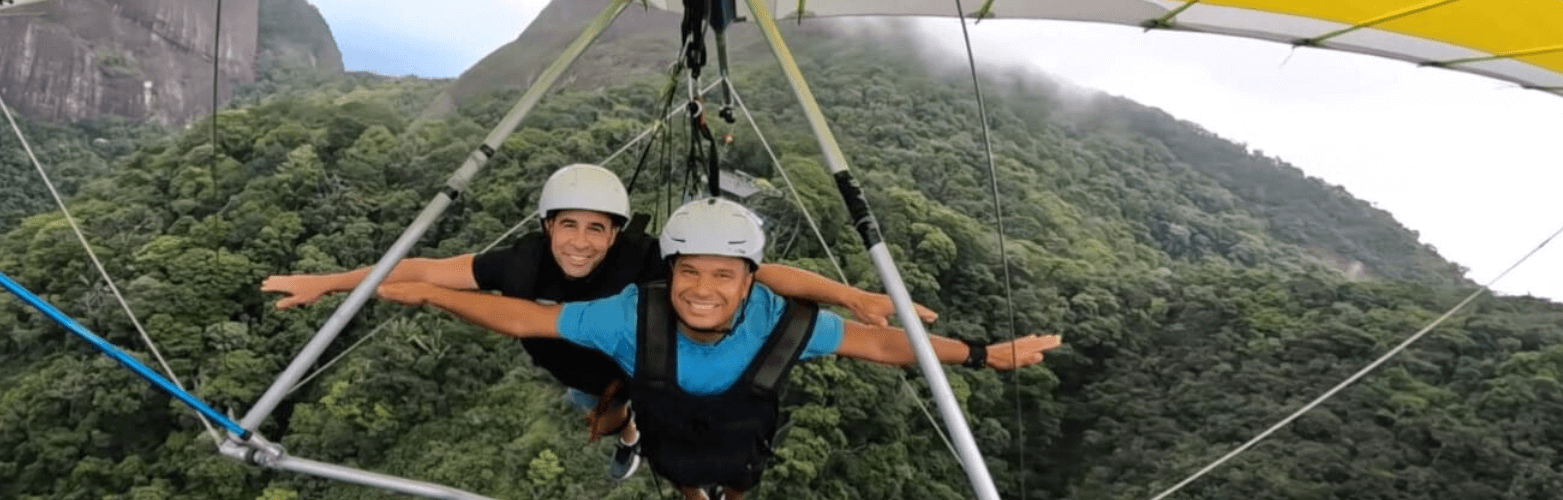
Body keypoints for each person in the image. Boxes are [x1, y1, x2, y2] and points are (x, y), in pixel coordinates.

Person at [260, 164, 937, 480]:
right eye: (568, 227)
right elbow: (425, 271)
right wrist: (326, 284)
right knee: (607, 417)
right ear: (548, 226)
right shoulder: (520, 266)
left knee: (682, 430)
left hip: (655, 366)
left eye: (596, 230)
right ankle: (627, 437)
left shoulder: (649, 257)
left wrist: (850, 296)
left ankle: (657, 447)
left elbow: (764, 273)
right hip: (587, 370)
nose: (581, 243)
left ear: (615, 233)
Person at [370, 197, 1062, 499]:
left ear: (750, 280)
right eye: (689, 272)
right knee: (679, 471)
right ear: (670, 271)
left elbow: (886, 346)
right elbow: (526, 319)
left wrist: (981, 354)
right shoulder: (626, 315)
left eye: (723, 275)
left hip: (738, 438)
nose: (702, 289)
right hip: (670, 432)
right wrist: (435, 293)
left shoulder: (784, 323)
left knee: (735, 475)